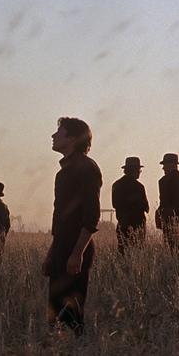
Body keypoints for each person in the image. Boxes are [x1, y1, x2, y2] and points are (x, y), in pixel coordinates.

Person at [42, 117, 102, 336]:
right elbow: (62, 221)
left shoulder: (86, 168)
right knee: (56, 316)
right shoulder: (65, 170)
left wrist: (77, 253)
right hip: (62, 248)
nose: (53, 136)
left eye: (59, 132)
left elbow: (91, 215)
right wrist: (52, 253)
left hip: (75, 248)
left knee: (71, 318)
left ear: (73, 138)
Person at [112, 157, 149, 254]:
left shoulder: (116, 185)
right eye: (139, 170)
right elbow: (146, 207)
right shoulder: (139, 186)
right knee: (137, 254)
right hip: (138, 226)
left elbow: (115, 204)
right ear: (134, 170)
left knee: (123, 253)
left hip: (122, 225)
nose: (139, 172)